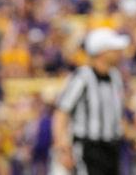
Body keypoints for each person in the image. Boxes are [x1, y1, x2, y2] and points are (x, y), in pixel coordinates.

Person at [52, 28, 129, 175]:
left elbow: (117, 114)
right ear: (101, 52)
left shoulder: (115, 77)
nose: (119, 52)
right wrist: (62, 148)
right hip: (88, 147)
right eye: (113, 49)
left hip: (112, 147)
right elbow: (62, 112)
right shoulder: (83, 77)